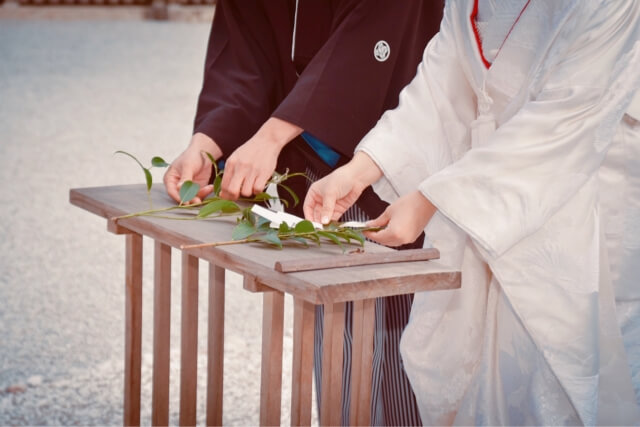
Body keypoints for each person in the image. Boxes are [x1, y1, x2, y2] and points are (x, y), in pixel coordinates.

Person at [304, 0, 640, 424]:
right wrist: (362, 167)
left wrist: (433, 199)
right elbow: (442, 83)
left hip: (582, 184)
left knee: (566, 373)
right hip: (478, 191)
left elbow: (563, 118)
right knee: (480, 374)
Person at [163, 1, 444, 424]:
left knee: (399, 339)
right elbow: (244, 51)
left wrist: (272, 135)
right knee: (340, 344)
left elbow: (370, 37)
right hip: (302, 158)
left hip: (379, 150)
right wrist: (209, 141)